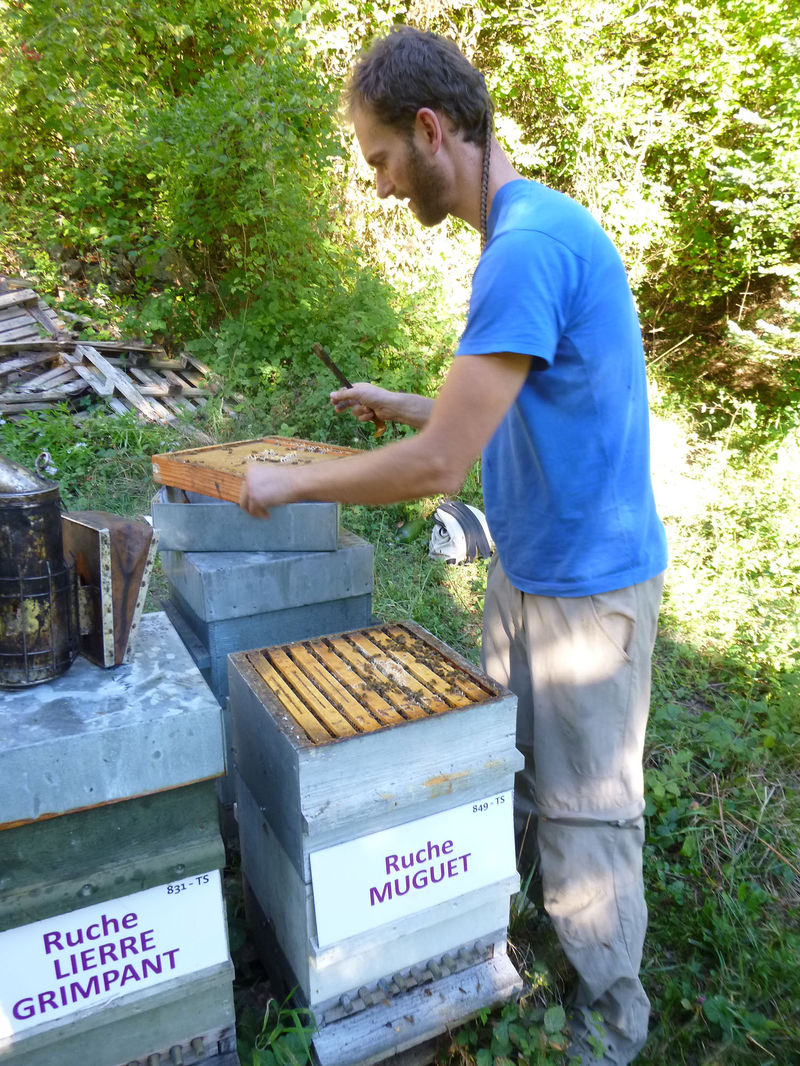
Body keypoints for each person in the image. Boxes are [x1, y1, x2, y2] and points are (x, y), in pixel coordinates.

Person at [239, 25, 667, 1065]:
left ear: (430, 130)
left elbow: (438, 468)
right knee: (511, 775)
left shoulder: (522, 247)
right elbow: (503, 406)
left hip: (583, 593)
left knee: (586, 816)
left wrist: (287, 482)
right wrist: (401, 400)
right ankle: (507, 945)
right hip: (531, 569)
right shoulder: (524, 228)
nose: (380, 185)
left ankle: (610, 1025)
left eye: (380, 158)